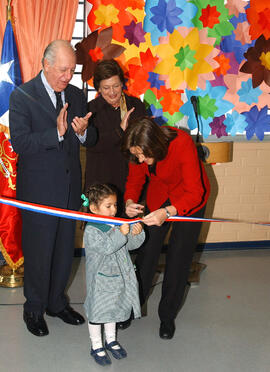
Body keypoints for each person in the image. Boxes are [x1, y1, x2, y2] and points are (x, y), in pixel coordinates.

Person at [9, 40, 97, 337]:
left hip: (70, 189)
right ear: (45, 65)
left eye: (72, 69)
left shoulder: (75, 94)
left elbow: (91, 137)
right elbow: (20, 143)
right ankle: (33, 307)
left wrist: (83, 134)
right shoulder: (22, 96)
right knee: (39, 252)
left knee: (62, 251)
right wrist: (56, 133)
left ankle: (57, 303)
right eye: (63, 69)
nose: (67, 76)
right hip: (37, 192)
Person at [121, 117, 210, 340]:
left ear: (156, 145)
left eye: (144, 155)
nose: (141, 159)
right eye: (137, 155)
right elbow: (134, 181)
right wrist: (130, 202)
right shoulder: (138, 149)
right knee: (146, 252)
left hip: (189, 200)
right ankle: (134, 305)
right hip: (160, 194)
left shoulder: (182, 143)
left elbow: (194, 192)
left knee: (179, 258)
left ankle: (167, 316)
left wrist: (169, 211)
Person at [82, 183, 145, 366]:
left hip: (119, 279)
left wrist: (136, 233)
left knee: (114, 310)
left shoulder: (117, 223)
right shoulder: (92, 229)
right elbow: (107, 247)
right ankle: (96, 345)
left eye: (115, 205)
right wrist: (121, 233)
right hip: (102, 280)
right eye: (108, 206)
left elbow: (130, 245)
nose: (113, 210)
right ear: (94, 208)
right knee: (98, 312)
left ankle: (111, 340)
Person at [84, 59, 147, 214]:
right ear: (98, 87)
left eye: (116, 86)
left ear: (122, 84)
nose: (112, 92)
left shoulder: (135, 106)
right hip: (102, 184)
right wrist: (119, 131)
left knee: (131, 232)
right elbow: (93, 144)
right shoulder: (91, 110)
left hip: (131, 182)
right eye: (106, 88)